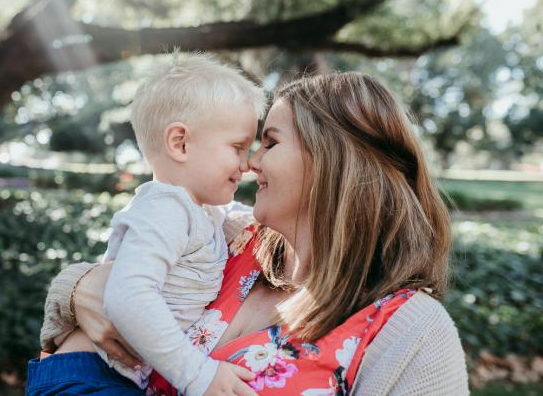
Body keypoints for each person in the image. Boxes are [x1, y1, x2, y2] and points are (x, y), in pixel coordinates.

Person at [38, 72, 470, 395]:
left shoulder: (411, 330)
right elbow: (124, 273)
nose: (251, 164)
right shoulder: (233, 239)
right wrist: (77, 288)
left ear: (332, 161)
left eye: (270, 143)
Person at [26, 54, 267, 396]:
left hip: (114, 376)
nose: (246, 164)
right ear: (179, 143)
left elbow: (250, 219)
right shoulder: (166, 209)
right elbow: (127, 296)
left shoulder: (206, 212)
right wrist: (199, 375)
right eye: (238, 147)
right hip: (89, 377)